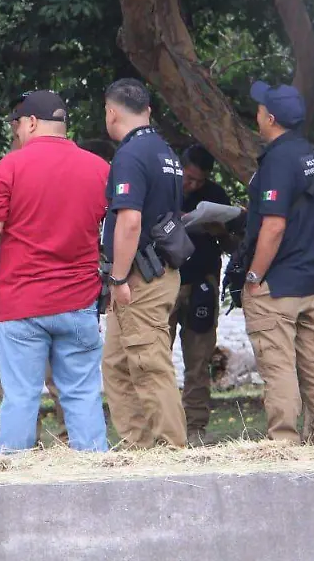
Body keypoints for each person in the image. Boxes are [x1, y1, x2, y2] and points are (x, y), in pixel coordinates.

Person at [0, 90, 110, 453]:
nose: (17, 135)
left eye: (17, 127)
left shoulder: (11, 166)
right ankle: (96, 481)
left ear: (30, 122)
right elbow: (116, 228)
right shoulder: (100, 168)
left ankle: (12, 481)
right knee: (82, 394)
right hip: (78, 303)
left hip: (21, 306)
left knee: (22, 397)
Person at [240, 82, 314, 445]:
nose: (256, 114)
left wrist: (254, 277)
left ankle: (284, 443)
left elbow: (275, 225)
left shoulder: (278, 160)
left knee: (278, 365)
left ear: (270, 118)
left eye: (258, 110)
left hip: (276, 285)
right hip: (309, 283)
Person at [99, 78, 188, 449]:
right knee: (117, 365)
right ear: (147, 111)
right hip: (154, 272)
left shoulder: (131, 155)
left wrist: (118, 278)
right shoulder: (165, 152)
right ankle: (138, 448)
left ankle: (172, 449)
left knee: (150, 365)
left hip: (139, 279)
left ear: (111, 113)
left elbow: (130, 221)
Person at [172, 145, 235, 445]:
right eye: (188, 178)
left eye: (199, 181)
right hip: (167, 281)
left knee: (198, 361)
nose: (192, 185)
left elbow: (232, 244)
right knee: (153, 357)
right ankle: (160, 427)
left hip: (202, 283)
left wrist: (217, 229)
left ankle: (195, 428)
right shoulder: (163, 185)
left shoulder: (216, 195)